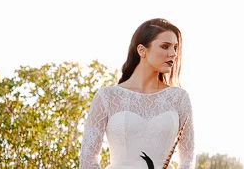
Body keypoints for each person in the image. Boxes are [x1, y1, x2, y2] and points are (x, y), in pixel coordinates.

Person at [79, 18, 195, 169]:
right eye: (165, 46)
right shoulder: (107, 97)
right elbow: (88, 158)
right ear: (141, 50)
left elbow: (188, 159)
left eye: (175, 48)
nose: (173, 54)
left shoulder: (179, 98)